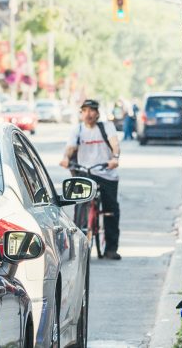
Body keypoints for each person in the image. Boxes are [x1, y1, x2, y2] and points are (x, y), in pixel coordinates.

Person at [60, 99, 123, 260]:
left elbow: (114, 144)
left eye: (92, 110)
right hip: (84, 172)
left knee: (111, 210)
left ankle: (110, 248)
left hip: (105, 172)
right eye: (85, 110)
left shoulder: (106, 127)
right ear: (81, 113)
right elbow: (71, 147)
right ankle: (78, 247)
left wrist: (115, 158)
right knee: (80, 207)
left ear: (97, 113)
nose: (88, 114)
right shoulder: (78, 129)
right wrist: (65, 158)